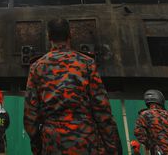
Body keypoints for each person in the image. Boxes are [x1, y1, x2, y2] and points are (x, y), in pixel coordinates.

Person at [24, 18, 120, 155]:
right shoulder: (87, 63)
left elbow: (30, 116)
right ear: (70, 35)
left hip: (52, 143)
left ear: (49, 37)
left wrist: (39, 148)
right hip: (86, 141)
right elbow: (102, 110)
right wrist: (111, 148)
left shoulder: (37, 67)